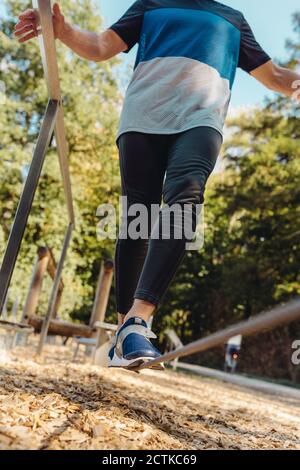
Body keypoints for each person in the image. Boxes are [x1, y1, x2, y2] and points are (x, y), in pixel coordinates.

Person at [15, 1, 300, 370]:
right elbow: (102, 47)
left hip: (201, 121)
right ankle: (124, 332)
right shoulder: (150, 4)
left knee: (187, 197)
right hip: (142, 119)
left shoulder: (233, 20)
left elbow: (275, 75)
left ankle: (138, 318)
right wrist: (63, 30)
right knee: (139, 217)